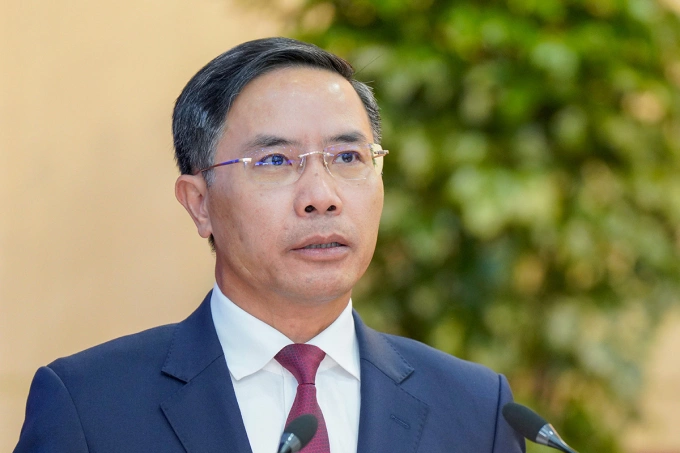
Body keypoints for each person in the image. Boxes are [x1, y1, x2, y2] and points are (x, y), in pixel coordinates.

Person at [14, 37, 525, 453]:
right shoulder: (89, 407)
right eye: (275, 161)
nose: (321, 197)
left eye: (348, 157)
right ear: (199, 204)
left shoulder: (477, 409)